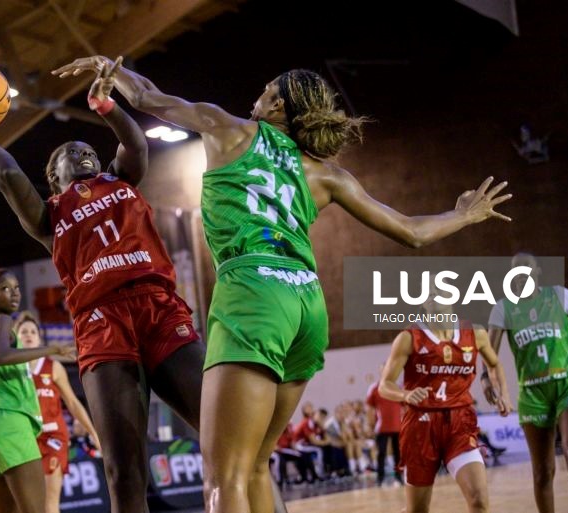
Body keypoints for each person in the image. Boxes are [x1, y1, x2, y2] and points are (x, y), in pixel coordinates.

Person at [53, 56, 512, 513]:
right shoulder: (326, 174)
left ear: (277, 107)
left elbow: (148, 96)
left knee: (224, 477)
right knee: (256, 463)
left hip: (255, 290)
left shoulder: (228, 128)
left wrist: (113, 72)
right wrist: (462, 214)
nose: (259, 94)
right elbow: (410, 232)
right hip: (307, 304)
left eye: (268, 89)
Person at [0, 60, 209, 513]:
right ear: (54, 176)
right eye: (72, 151)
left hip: (159, 308)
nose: (84, 154)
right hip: (102, 323)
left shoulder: (120, 178)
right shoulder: (48, 216)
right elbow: (7, 176)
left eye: (88, 150)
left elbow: (135, 143)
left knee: (226, 433)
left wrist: (107, 106)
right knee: (124, 472)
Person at [379, 282, 512, 513]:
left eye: (438, 291)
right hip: (421, 426)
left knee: (479, 500)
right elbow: (384, 385)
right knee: (417, 510)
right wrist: (406, 394)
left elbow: (494, 363)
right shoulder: (409, 337)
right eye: (427, 293)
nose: (432, 295)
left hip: (460, 423)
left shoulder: (475, 333)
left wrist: (504, 395)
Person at [0, 268, 73, 513]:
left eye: (16, 288)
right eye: (5, 289)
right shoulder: (3, 321)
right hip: (7, 422)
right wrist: (53, 349)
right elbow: (2, 355)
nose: (14, 294)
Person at [482, 252, 568, 512]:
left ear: (537, 271)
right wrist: (485, 378)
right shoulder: (504, 308)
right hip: (533, 393)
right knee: (542, 472)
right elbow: (489, 352)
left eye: (526, 269)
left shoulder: (558, 296)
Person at [15, 311, 101, 513]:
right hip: (25, 439)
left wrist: (93, 432)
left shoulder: (53, 367)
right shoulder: (12, 369)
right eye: (24, 331)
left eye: (33, 332)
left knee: (49, 504)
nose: (28, 335)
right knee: (27, 505)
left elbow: (72, 402)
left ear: (39, 338)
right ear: (16, 338)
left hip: (52, 436)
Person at [367, 367, 403, 486]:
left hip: (397, 426)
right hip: (381, 427)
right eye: (383, 370)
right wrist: (370, 426)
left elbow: (404, 406)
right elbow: (370, 409)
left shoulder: (398, 387)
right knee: (381, 453)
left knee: (398, 453)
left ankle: (399, 477)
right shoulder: (374, 388)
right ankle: (380, 478)